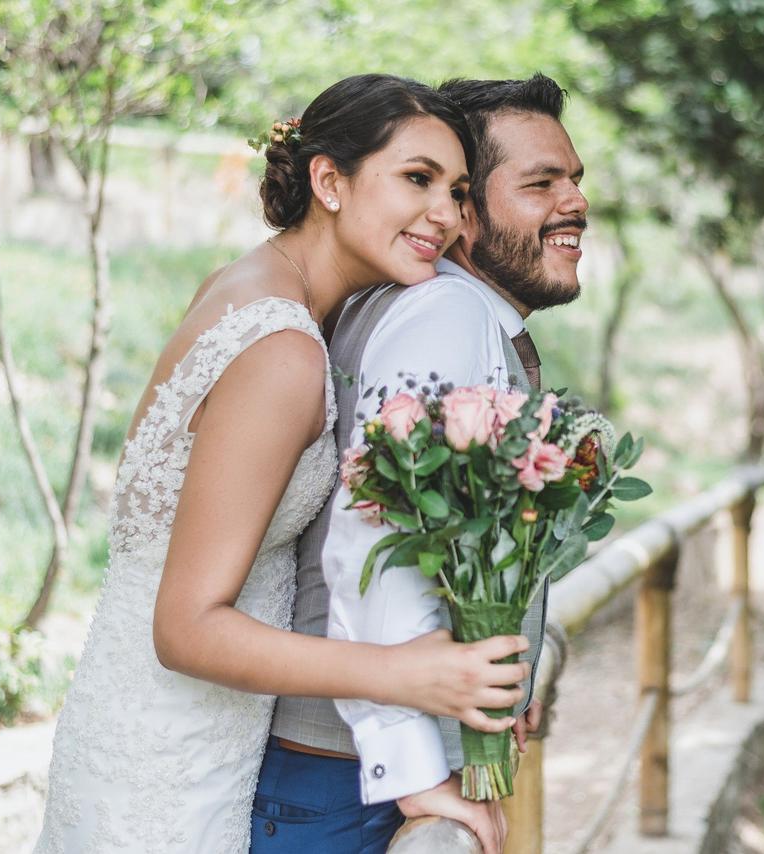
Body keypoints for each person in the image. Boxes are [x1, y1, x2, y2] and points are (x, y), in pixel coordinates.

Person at [32, 73, 532, 854]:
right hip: (173, 755)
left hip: (156, 724)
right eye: (417, 179)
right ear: (328, 180)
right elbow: (185, 628)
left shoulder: (253, 290)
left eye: (460, 190)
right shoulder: (283, 351)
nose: (447, 215)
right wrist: (401, 673)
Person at [262, 73, 587, 854]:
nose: (573, 203)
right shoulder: (446, 313)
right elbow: (374, 547)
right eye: (540, 184)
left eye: (575, 180)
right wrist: (416, 775)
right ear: (465, 216)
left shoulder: (430, 304)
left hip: (347, 775)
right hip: (352, 786)